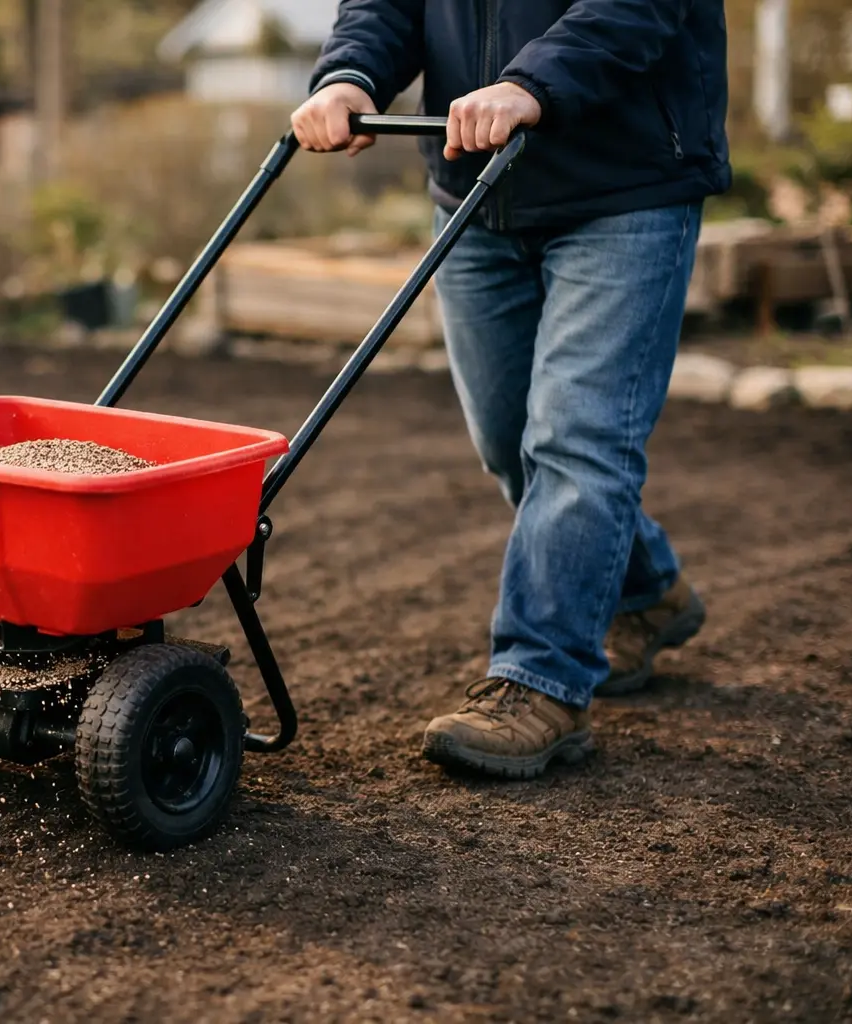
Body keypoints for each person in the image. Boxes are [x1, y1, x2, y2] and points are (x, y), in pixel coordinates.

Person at [292, 1, 729, 779]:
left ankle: (540, 679)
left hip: (625, 187)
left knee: (575, 439)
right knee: (509, 442)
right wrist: (352, 74)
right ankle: (648, 589)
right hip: (475, 188)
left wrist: (534, 82)